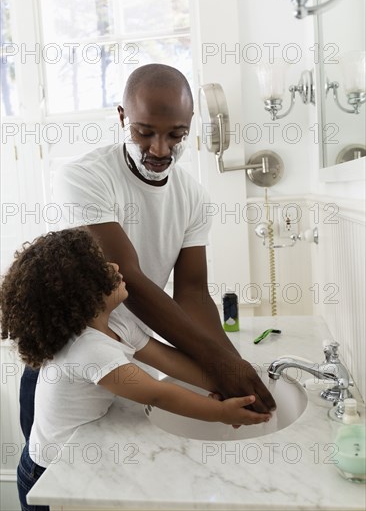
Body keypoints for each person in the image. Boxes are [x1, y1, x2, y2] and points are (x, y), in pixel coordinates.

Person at [19, 63, 275, 442]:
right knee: (49, 481)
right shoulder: (84, 177)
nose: (160, 149)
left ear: (190, 123)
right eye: (144, 132)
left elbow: (191, 292)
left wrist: (235, 370)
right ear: (122, 117)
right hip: (68, 363)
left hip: (129, 349)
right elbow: (131, 280)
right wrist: (223, 365)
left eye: (176, 135)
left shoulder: (193, 197)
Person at [0, 228, 272, 511]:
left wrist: (228, 385)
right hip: (48, 474)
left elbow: (171, 362)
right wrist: (220, 412)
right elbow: (157, 394)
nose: (115, 267)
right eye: (100, 268)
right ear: (79, 292)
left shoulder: (116, 323)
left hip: (80, 455)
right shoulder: (88, 348)